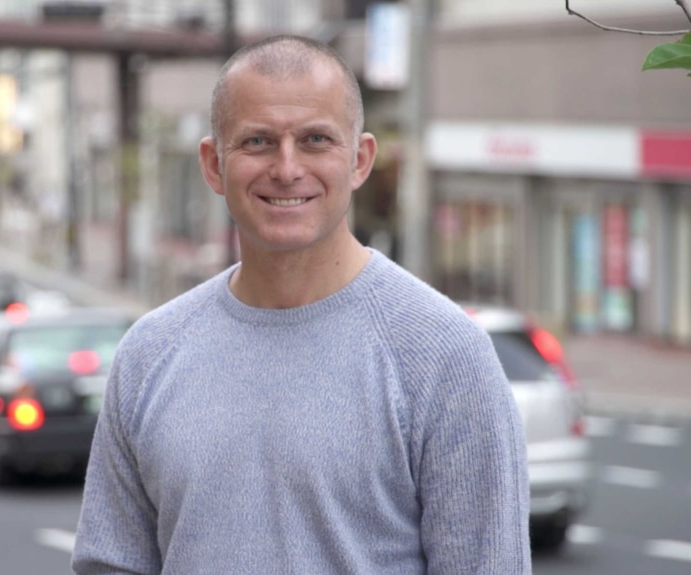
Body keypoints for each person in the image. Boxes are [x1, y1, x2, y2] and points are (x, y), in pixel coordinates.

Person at [72, 34, 531, 575]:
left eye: (315, 140)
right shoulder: (149, 354)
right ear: (214, 165)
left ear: (360, 160)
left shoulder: (446, 356)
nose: (287, 168)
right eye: (258, 142)